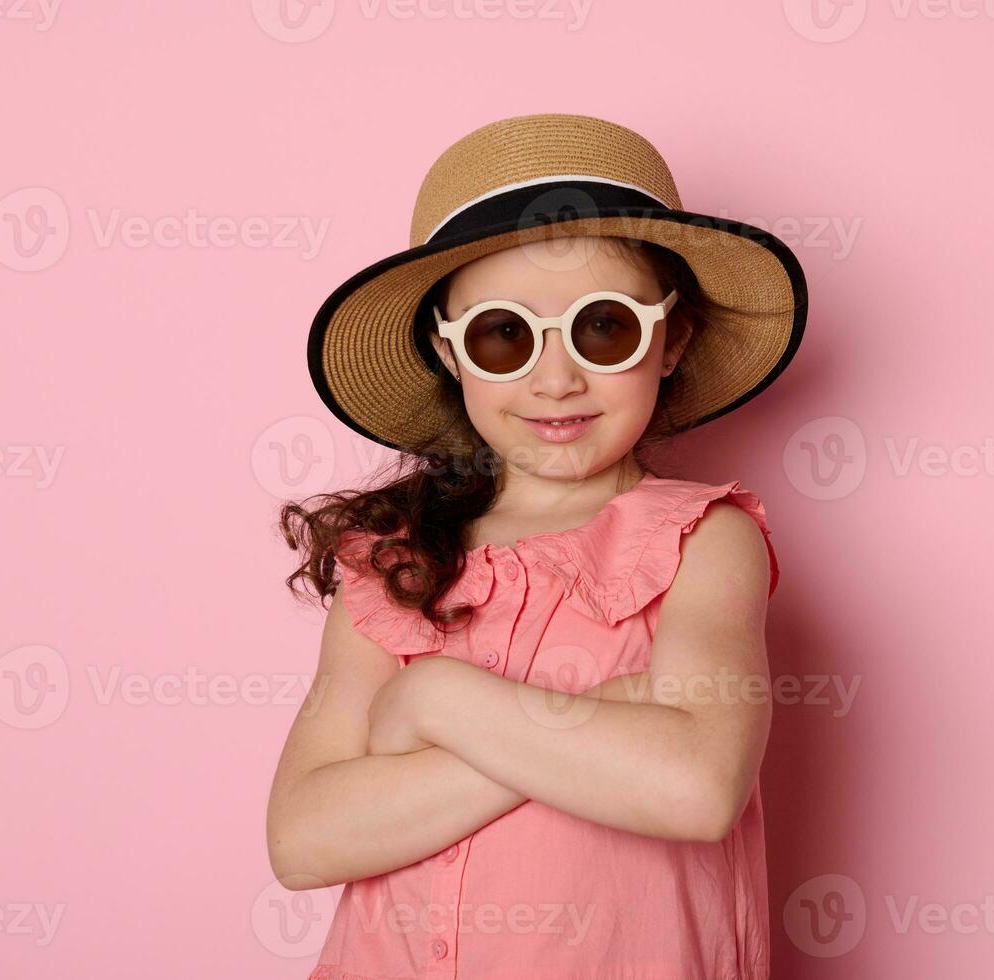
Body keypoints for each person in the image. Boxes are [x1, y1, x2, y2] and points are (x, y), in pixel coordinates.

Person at [267, 112, 807, 979]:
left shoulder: (705, 538)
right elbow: (305, 838)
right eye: (504, 334)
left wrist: (437, 701)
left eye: (602, 328)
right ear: (450, 354)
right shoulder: (391, 561)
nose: (555, 379)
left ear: (671, 339)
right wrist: (614, 715)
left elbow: (695, 789)